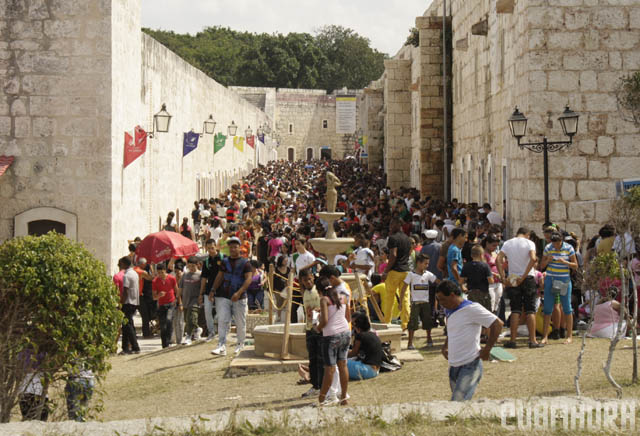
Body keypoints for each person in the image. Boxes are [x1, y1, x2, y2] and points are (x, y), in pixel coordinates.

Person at [437, 280, 503, 401]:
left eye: (443, 300)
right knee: (461, 404)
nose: (441, 304)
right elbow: (452, 329)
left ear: (452, 295)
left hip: (470, 364)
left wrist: (487, 349)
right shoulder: (449, 310)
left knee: (457, 403)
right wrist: (445, 346)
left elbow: (497, 324)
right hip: (453, 365)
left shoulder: (472, 308)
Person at [497, 227, 543, 349]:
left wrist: (503, 277)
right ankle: (532, 340)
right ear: (527, 234)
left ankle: (512, 340)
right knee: (530, 309)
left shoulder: (508, 243)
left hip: (513, 278)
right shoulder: (529, 243)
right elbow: (533, 259)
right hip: (527, 277)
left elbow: (498, 259)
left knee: (515, 309)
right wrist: (524, 275)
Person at [211, 237, 253, 356]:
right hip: (224, 295)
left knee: (240, 323)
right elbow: (220, 276)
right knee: (223, 320)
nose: (233, 249)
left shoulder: (246, 262)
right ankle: (221, 345)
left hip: (240, 297)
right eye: (231, 247)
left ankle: (240, 344)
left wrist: (239, 293)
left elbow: (248, 279)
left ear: (239, 248)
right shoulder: (225, 262)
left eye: (235, 246)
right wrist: (213, 290)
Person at [315, 281, 350, 406]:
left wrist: (317, 328)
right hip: (345, 332)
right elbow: (348, 316)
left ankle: (322, 399)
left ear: (319, 290)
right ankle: (344, 397)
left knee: (329, 368)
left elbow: (324, 321)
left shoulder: (324, 300)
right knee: (343, 365)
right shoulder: (343, 297)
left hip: (331, 336)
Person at [539, 231, 578, 345]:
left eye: (557, 243)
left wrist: (565, 262)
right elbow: (542, 266)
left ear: (562, 241)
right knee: (548, 308)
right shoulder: (548, 248)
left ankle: (569, 335)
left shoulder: (569, 248)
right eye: (553, 243)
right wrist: (547, 260)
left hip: (563, 280)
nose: (555, 246)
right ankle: (545, 336)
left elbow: (575, 265)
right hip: (551, 279)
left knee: (566, 307)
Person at [400, 254, 439, 349]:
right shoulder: (411, 275)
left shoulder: (428, 274)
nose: (427, 265)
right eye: (425, 263)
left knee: (427, 322)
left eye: (428, 264)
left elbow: (437, 281)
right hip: (415, 303)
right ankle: (410, 343)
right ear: (418, 263)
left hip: (425, 303)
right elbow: (404, 288)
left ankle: (429, 339)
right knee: (412, 323)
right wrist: (401, 302)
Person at [382, 218, 412, 329]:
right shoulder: (408, 239)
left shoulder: (393, 238)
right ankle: (405, 324)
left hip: (394, 271)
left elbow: (393, 255)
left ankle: (387, 323)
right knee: (405, 298)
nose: (390, 226)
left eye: (391, 223)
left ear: (398, 224)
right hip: (406, 271)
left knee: (389, 298)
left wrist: (385, 271)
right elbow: (409, 252)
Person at [300, 269, 323, 398]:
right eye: (305, 280)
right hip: (309, 328)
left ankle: (322, 385)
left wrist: (316, 310)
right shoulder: (305, 293)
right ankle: (315, 385)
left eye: (309, 279)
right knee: (312, 359)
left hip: (319, 328)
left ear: (313, 278)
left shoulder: (318, 291)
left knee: (320, 359)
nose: (308, 282)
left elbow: (325, 305)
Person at [347, 312, 383, 380]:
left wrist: (340, 355)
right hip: (376, 371)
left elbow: (353, 353)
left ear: (357, 326)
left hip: (367, 370)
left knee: (338, 363)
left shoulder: (360, 336)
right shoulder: (373, 335)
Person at [200, 239, 222, 342]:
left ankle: (222, 332)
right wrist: (201, 293)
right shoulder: (206, 261)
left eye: (212, 248)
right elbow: (204, 278)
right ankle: (211, 332)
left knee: (221, 312)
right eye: (208, 249)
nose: (210, 250)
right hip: (209, 290)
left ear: (216, 246)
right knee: (207, 311)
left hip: (221, 289)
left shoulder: (223, 258)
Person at [152, 264, 179, 349]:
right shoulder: (155, 281)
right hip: (161, 305)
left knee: (169, 320)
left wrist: (179, 302)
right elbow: (154, 296)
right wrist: (159, 295)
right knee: (163, 326)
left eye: (162, 272)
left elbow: (177, 291)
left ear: (165, 271)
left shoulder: (171, 278)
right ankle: (165, 344)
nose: (160, 274)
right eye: (159, 273)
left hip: (171, 303)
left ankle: (169, 340)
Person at [119, 256, 141, 355]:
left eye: (120, 264)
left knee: (127, 326)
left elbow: (125, 291)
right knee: (128, 325)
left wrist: (121, 303)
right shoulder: (134, 273)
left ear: (124, 264)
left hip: (128, 302)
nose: (119, 266)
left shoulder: (127, 275)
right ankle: (126, 347)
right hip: (134, 302)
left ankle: (134, 347)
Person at [180, 256, 203, 345]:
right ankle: (197, 329)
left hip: (195, 300)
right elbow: (181, 287)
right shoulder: (185, 275)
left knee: (192, 317)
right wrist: (178, 299)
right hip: (186, 300)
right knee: (187, 319)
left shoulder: (200, 275)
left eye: (193, 266)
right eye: (189, 266)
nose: (191, 268)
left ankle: (188, 336)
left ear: (197, 265)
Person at [135, 258, 155, 338]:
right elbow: (151, 278)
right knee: (145, 315)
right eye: (146, 264)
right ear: (142, 264)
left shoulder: (134, 270)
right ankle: (146, 333)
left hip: (132, 295)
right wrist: (152, 268)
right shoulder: (142, 272)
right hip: (139, 296)